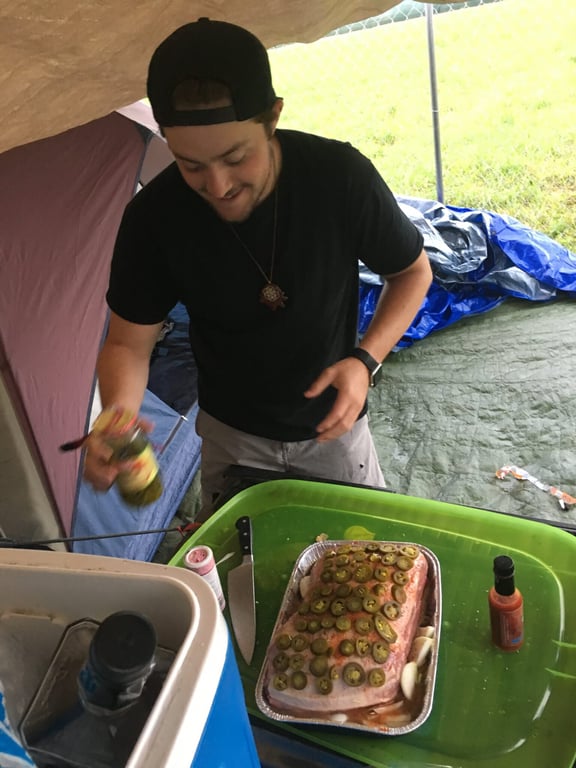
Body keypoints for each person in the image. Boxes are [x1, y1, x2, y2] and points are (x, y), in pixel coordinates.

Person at [84, 17, 433, 521]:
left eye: (235, 157)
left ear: (272, 117)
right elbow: (126, 343)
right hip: (231, 437)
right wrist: (118, 416)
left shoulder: (337, 177)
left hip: (333, 431)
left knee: (365, 564)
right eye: (191, 165)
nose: (219, 185)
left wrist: (365, 360)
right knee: (243, 580)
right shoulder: (154, 218)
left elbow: (412, 272)